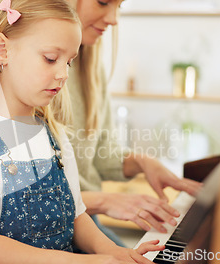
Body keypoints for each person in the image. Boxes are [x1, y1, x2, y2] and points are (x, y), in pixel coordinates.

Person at [0, 0, 164, 263]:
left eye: (69, 62)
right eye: (51, 59)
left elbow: (78, 218)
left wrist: (117, 253)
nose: (63, 74)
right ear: (1, 50)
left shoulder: (55, 138)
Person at [59, 0, 204, 246]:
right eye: (103, 2)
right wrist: (104, 201)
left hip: (86, 222)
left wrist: (144, 162)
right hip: (55, 230)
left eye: (119, 6)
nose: (114, 19)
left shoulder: (90, 66)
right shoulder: (36, 76)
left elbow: (102, 159)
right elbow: (26, 199)